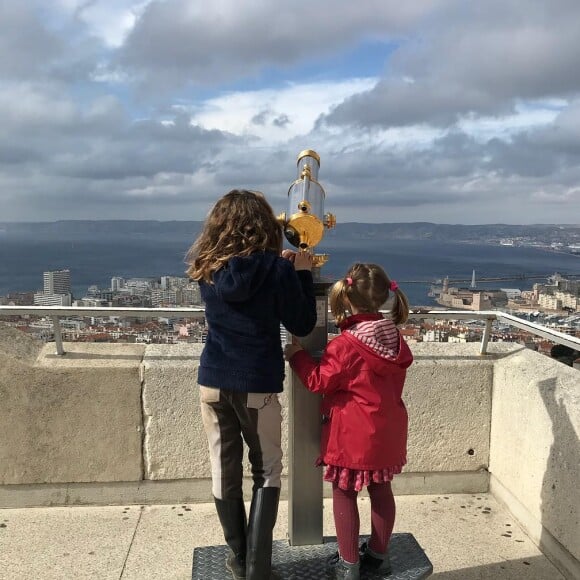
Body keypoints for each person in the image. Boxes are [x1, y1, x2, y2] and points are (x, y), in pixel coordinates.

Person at [186, 189, 317, 580]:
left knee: (223, 472)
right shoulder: (275, 269)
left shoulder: (205, 265)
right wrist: (302, 273)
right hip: (256, 384)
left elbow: (239, 282)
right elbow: (302, 323)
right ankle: (258, 570)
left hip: (212, 382)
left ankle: (239, 559)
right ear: (264, 225)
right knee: (267, 472)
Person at [284, 263, 413, 580]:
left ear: (348, 299)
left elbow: (319, 382)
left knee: (345, 493)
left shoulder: (344, 346)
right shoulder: (395, 339)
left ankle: (348, 563)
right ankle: (378, 555)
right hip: (388, 430)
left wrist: (296, 355)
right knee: (381, 491)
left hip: (353, 435)